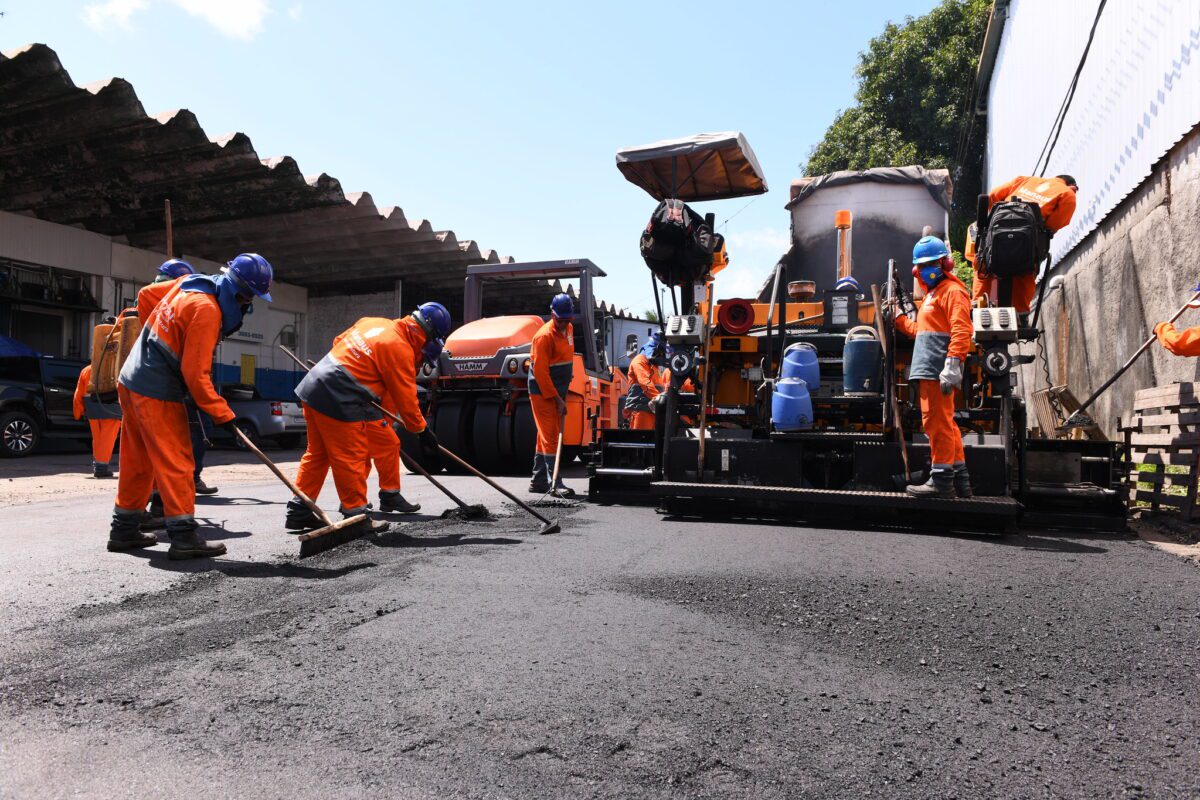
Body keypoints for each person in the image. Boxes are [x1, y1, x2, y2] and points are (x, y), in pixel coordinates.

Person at [109, 253, 273, 559]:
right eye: (250, 298)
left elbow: (146, 295)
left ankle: (124, 529)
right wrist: (225, 415)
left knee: (138, 460)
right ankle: (184, 537)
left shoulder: (191, 283)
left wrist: (152, 333)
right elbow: (195, 376)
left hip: (131, 379)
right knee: (178, 461)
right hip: (156, 387)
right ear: (242, 293)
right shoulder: (207, 311)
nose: (248, 306)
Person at [287, 303, 449, 531]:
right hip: (339, 394)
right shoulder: (400, 348)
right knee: (351, 455)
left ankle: (299, 511)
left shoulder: (373, 322)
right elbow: (407, 399)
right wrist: (422, 431)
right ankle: (356, 515)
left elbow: (338, 342)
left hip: (314, 384)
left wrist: (363, 374)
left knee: (318, 454)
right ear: (428, 336)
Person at [893, 236, 974, 499]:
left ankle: (940, 482)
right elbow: (923, 331)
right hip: (930, 368)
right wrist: (900, 320)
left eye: (933, 263)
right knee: (947, 425)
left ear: (945, 262)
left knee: (936, 424)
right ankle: (960, 481)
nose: (927, 269)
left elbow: (962, 329)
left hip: (937, 369)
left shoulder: (953, 292)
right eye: (922, 265)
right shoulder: (933, 295)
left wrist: (953, 364)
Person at [972, 174, 1078, 312]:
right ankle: (1021, 315)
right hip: (1027, 246)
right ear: (1072, 186)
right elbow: (1056, 223)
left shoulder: (1024, 180)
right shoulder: (1067, 193)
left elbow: (993, 195)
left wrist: (998, 219)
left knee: (982, 265)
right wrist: (1040, 230)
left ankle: (977, 307)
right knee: (1027, 271)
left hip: (995, 241)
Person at [528, 293, 576, 496]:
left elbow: (565, 356)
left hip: (559, 390)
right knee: (551, 437)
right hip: (543, 392)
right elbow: (540, 373)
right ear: (552, 314)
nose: (564, 324)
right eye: (560, 320)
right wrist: (556, 399)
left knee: (544, 436)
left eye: (567, 320)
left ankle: (538, 481)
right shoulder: (543, 336)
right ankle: (554, 482)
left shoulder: (569, 329)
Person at [363, 395, 421, 513]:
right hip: (363, 404)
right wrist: (421, 429)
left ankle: (354, 499)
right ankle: (389, 495)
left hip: (366, 404)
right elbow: (405, 396)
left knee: (364, 452)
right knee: (389, 445)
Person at [72, 363, 121, 478]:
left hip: (92, 408)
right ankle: (101, 467)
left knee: (98, 438)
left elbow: (78, 393)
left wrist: (78, 411)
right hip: (111, 407)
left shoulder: (86, 370)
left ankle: (98, 465)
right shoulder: (115, 369)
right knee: (107, 439)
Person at [624, 331, 667, 430]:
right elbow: (644, 382)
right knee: (641, 441)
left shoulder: (653, 367)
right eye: (661, 352)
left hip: (653, 411)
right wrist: (660, 400)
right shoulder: (640, 360)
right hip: (641, 411)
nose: (662, 355)